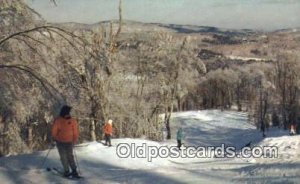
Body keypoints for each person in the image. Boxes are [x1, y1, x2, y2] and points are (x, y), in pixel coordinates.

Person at [51, 105, 79, 178]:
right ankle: (68, 171)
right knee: (66, 157)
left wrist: (74, 139)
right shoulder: (58, 120)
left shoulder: (72, 120)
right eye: (68, 112)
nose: (68, 113)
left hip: (68, 141)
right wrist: (54, 137)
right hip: (60, 141)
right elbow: (54, 130)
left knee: (67, 156)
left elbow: (75, 131)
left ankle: (73, 170)